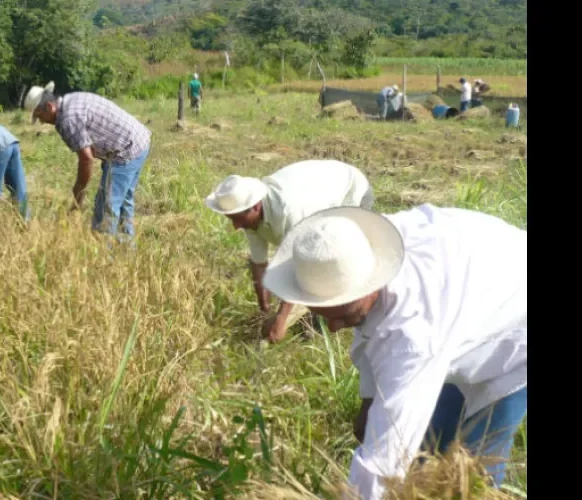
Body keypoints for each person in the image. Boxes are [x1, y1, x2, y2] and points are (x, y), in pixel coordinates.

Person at [261, 203, 527, 500]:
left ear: (372, 285)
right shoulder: (354, 249)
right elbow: (371, 328)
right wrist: (369, 399)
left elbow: (380, 468)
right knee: (428, 453)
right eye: (322, 315)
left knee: (473, 473)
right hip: (469, 297)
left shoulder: (413, 333)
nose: (334, 329)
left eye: (346, 316)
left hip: (515, 333)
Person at [204, 160, 374, 343]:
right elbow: (259, 263)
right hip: (319, 185)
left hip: (350, 189)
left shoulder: (291, 213)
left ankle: (336, 316)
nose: (236, 226)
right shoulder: (248, 216)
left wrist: (281, 320)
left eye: (237, 219)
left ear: (255, 207)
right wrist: (264, 309)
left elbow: (299, 268)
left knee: (334, 257)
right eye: (231, 219)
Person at [24, 81, 152, 241]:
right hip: (139, 139)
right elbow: (89, 147)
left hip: (125, 149)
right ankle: (126, 250)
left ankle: (106, 256)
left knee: (106, 207)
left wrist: (78, 196)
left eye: (40, 116)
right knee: (124, 200)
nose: (42, 122)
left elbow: (86, 159)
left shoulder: (67, 120)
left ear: (49, 107)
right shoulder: (70, 100)